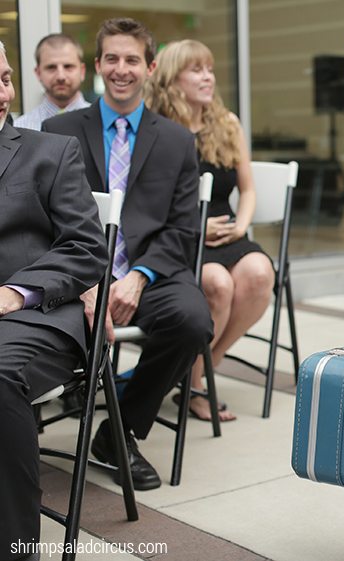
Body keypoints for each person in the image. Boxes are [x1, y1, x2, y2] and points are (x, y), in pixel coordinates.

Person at [42, 18, 213, 490]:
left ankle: (119, 434)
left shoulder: (177, 141)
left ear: (151, 67)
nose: (122, 69)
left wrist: (137, 277)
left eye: (132, 59)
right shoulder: (59, 131)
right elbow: (46, 220)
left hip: (149, 271)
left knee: (193, 321)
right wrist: (83, 283)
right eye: (112, 59)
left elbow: (182, 228)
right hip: (78, 274)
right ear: (97, 66)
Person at [0, 40, 108, 561]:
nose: (3, 93)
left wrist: (13, 292)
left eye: (3, 78)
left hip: (36, 316)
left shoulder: (50, 151)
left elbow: (88, 248)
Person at [145, 39, 275, 423]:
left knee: (259, 273)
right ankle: (197, 385)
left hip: (226, 230)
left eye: (209, 69)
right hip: (179, 234)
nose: (207, 77)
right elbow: (151, 203)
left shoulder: (227, 122)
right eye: (196, 70)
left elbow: (247, 189)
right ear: (172, 78)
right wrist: (197, 228)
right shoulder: (158, 128)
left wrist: (241, 225)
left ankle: (197, 377)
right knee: (217, 284)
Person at [15, 33, 90, 130]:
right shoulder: (20, 129)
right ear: (38, 73)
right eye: (51, 67)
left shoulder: (103, 124)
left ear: (82, 71)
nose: (60, 76)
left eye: (68, 66)